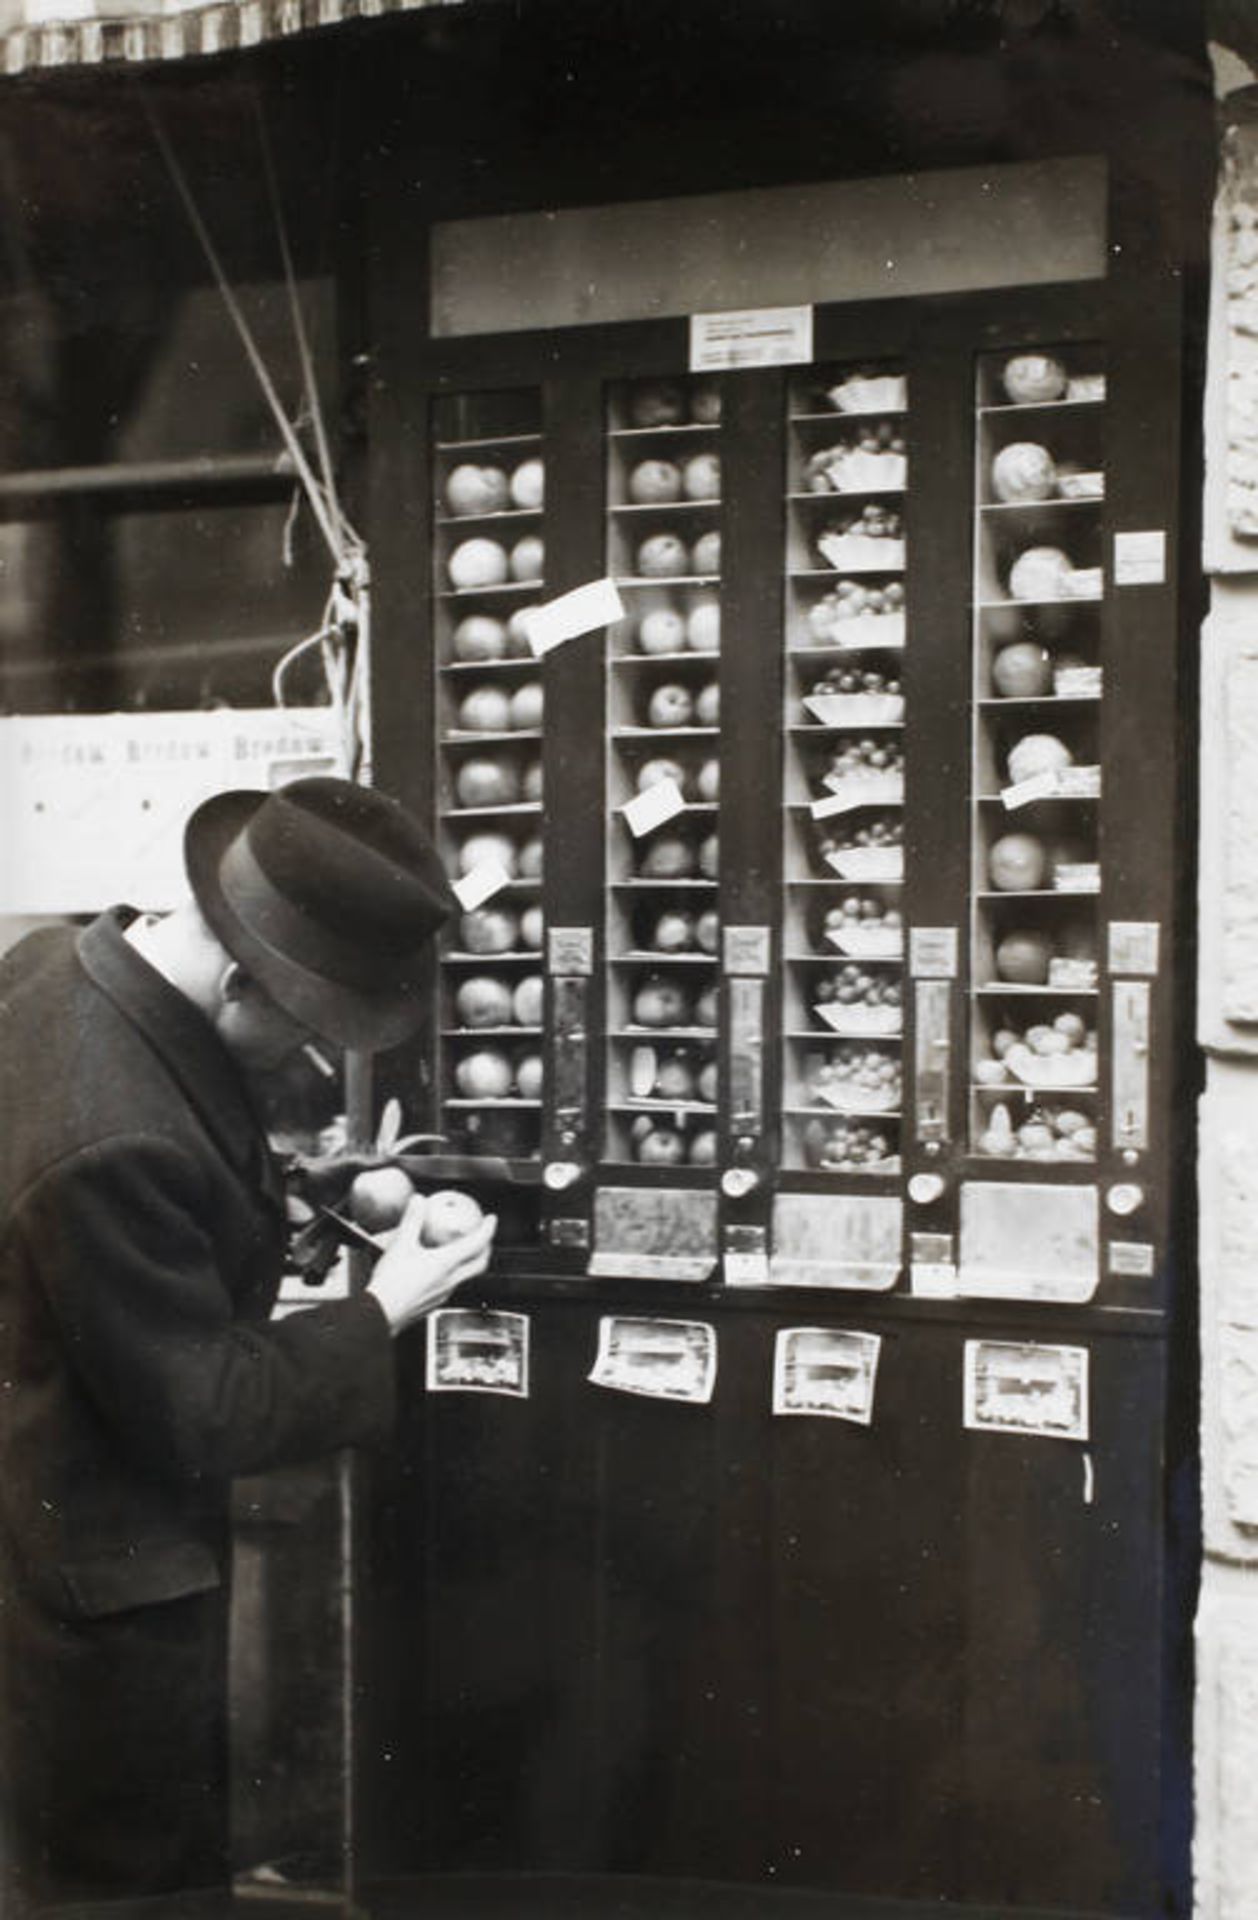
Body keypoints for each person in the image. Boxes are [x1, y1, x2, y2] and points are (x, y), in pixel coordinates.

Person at [0, 776, 498, 1917]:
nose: (317, 1058)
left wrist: (336, 1194)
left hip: (50, 1543)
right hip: (81, 1603)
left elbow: (181, 1140)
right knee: (130, 1887)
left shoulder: (61, 970)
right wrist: (391, 1306)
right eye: (315, 1026)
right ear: (238, 977)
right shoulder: (110, 1140)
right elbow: (208, 1407)